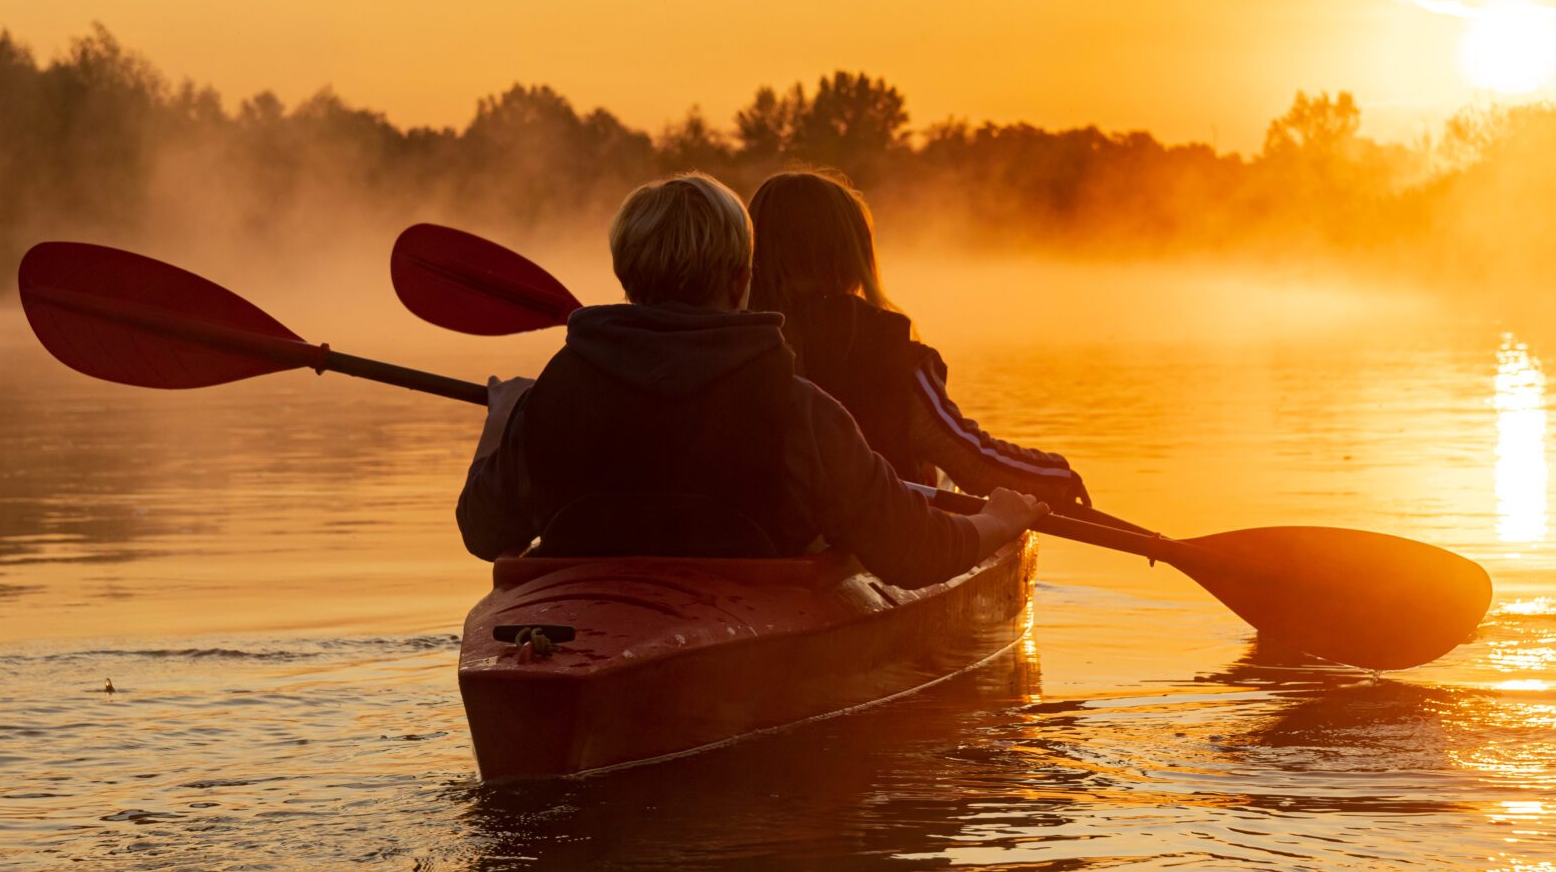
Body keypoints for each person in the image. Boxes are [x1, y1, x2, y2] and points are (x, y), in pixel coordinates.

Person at [456, 172, 1045, 587]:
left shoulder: (553, 399)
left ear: (625, 276)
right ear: (741, 281)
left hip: (576, 625)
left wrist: (503, 418)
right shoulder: (799, 410)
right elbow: (912, 555)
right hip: (751, 627)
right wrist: (997, 520)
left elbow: (483, 530)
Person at [747, 168, 1090, 508]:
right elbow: (973, 462)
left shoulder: (728, 340)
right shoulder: (890, 350)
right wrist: (1056, 475)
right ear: (851, 256)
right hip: (878, 543)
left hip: (755, 539)